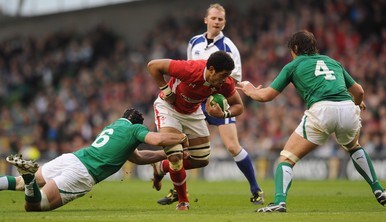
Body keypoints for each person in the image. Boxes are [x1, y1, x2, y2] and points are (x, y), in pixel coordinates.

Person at [236, 30, 386, 212]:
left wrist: (249, 89)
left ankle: (279, 202)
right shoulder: (333, 62)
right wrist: (357, 105)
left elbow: (266, 96)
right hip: (347, 107)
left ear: (295, 48)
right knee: (353, 147)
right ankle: (378, 190)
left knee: (286, 158)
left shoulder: (293, 65)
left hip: (322, 110)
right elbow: (359, 91)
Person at [156, 3, 264, 206]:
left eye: (220, 19)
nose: (217, 22)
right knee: (183, 148)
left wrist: (225, 99)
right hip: (194, 100)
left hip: (217, 98)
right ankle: (177, 190)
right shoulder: (194, 42)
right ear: (206, 20)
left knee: (232, 146)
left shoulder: (229, 47)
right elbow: (189, 70)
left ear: (225, 22)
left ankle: (255, 188)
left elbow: (234, 78)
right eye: (213, 18)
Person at [0, 107, 188, 211]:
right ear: (138, 124)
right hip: (83, 173)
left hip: (72, 158)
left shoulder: (111, 127)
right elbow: (158, 139)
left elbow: (137, 157)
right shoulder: (135, 129)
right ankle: (29, 178)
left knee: (16, 184)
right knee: (35, 205)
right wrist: (182, 138)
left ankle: (25, 178)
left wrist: (165, 154)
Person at [148, 50, 244, 210]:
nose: (225, 80)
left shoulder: (225, 83)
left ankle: (161, 167)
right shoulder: (190, 69)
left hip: (192, 112)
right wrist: (166, 91)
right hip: (169, 108)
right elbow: (153, 66)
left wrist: (224, 114)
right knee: (176, 155)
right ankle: (183, 202)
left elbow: (239, 106)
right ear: (211, 69)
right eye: (223, 74)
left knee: (201, 160)